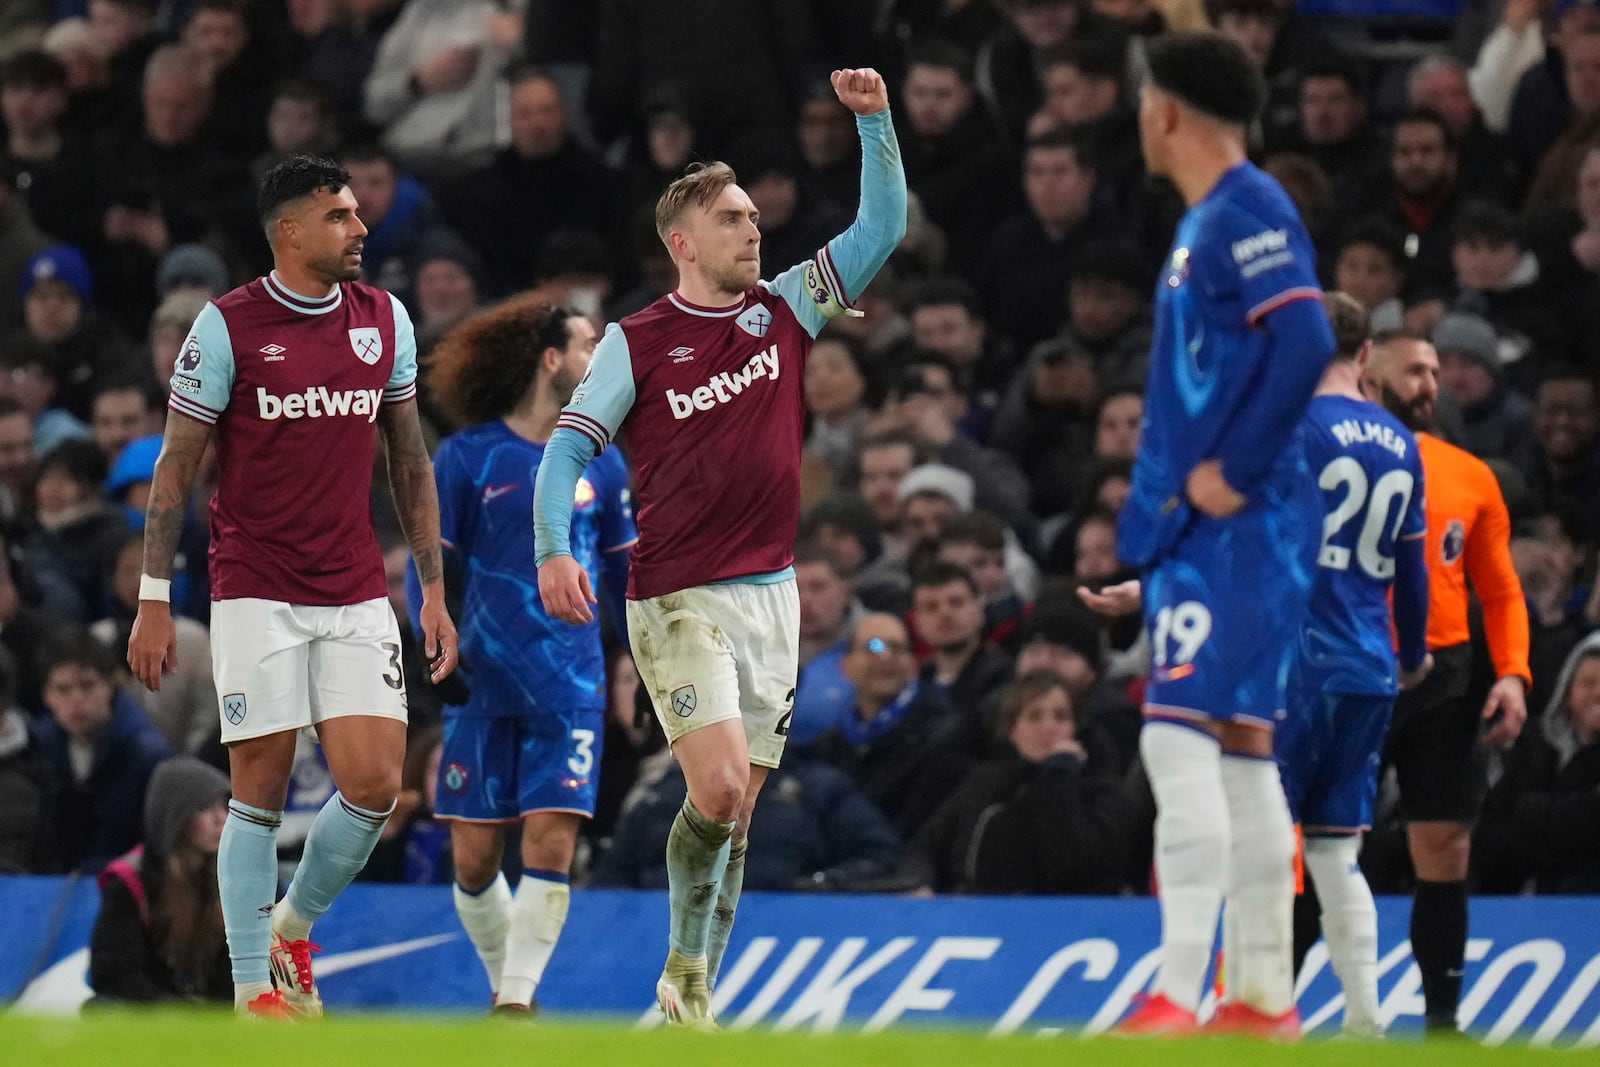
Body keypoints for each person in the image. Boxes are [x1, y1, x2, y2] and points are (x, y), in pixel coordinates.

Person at [533, 68, 906, 1029]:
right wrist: (554, 548)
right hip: (676, 597)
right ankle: (683, 977)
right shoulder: (639, 340)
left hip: (772, 599)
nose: (753, 229)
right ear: (683, 243)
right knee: (722, 785)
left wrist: (875, 125)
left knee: (736, 819)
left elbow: (881, 231)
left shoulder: (787, 311)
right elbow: (569, 446)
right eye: (733, 218)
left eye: (753, 215)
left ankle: (687, 998)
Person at [125, 155, 460, 1020]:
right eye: (340, 217)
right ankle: (251, 991)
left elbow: (410, 461)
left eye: (357, 214)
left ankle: (291, 925)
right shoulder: (226, 327)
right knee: (261, 787)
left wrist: (431, 586)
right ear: (290, 231)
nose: (359, 229)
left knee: (376, 784)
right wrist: (153, 597)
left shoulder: (384, 319)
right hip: (256, 586)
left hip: (353, 586)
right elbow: (176, 467)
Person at [1097, 32, 1333, 1037]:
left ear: (1165, 110)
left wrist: (1230, 474)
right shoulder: (1210, 218)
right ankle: (1263, 999)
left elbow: (1309, 336)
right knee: (1238, 748)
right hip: (1210, 532)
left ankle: (1175, 990)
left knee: (1172, 732)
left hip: (1238, 528)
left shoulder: (1248, 208)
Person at [405, 294, 635, 1014]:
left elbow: (628, 577)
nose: (599, 359)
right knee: (472, 860)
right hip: (484, 677)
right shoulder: (468, 456)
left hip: (572, 679)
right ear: (552, 359)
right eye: (588, 345)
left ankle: (517, 1003)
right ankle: (511, 980)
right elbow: (433, 562)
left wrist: (639, 661)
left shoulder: (606, 460)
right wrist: (432, 635)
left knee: (550, 841)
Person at [1356, 327, 1529, 1036]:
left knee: (1445, 848)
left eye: (1435, 371)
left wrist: (1514, 675)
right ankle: (1270, 1006)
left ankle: (1442, 1023)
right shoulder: (1326, 457)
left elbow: (1502, 591)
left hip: (1446, 675)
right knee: (1316, 848)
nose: (1431, 384)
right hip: (1350, 669)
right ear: (1370, 376)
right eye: (1415, 371)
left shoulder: (1470, 474)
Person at [1276, 292, 1432, 1039]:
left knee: (1265, 844)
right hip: (1371, 662)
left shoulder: (1294, 426)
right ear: (1367, 355)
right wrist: (1414, 650)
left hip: (1296, 661)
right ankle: (1366, 1018)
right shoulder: (1402, 441)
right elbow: (1414, 568)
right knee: (1338, 850)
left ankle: (1262, 1010)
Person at [88, 755, 233, 1005]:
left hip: (224, 1017)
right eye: (203, 807)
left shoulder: (247, 877)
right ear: (173, 817)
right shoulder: (131, 881)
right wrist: (179, 1016)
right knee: (101, 1007)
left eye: (224, 805)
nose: (220, 818)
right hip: (156, 1015)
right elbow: (113, 973)